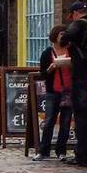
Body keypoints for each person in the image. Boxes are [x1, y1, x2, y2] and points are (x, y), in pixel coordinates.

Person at [59, 1, 87, 166]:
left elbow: (63, 40)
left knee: (81, 116)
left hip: (81, 78)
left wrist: (65, 36)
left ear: (74, 13)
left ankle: (82, 156)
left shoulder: (78, 25)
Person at [38, 24, 73, 161]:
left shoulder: (72, 51)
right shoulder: (48, 53)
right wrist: (50, 69)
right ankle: (44, 150)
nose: (63, 37)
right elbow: (42, 74)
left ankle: (61, 151)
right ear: (54, 36)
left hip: (68, 91)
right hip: (53, 91)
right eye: (60, 34)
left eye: (65, 34)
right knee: (49, 121)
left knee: (65, 122)